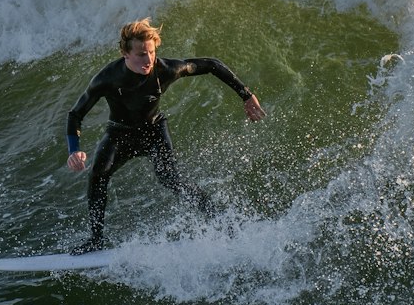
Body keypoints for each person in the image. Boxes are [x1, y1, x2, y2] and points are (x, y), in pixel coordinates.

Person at [66, 17, 265, 251]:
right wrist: (74, 149)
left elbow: (211, 64)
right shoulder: (107, 78)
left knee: (170, 179)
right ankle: (96, 239)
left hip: (154, 130)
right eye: (141, 54)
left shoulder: (166, 69)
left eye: (151, 52)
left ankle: (222, 221)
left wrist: (246, 94)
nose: (148, 59)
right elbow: (75, 114)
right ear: (125, 53)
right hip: (120, 134)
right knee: (98, 176)